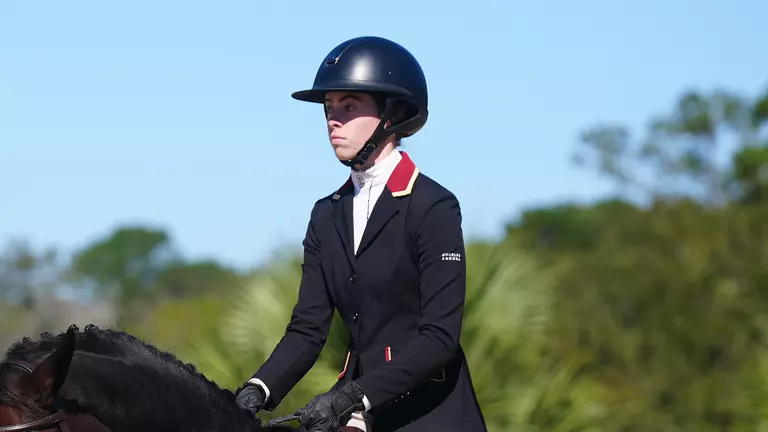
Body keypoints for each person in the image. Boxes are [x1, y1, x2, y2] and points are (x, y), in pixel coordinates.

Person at [235, 36, 487, 432]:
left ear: (393, 113)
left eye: (349, 107)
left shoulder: (432, 206)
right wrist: (255, 391)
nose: (333, 119)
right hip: (358, 413)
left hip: (431, 414)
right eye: (329, 108)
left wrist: (357, 395)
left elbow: (439, 337)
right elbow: (307, 329)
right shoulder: (325, 214)